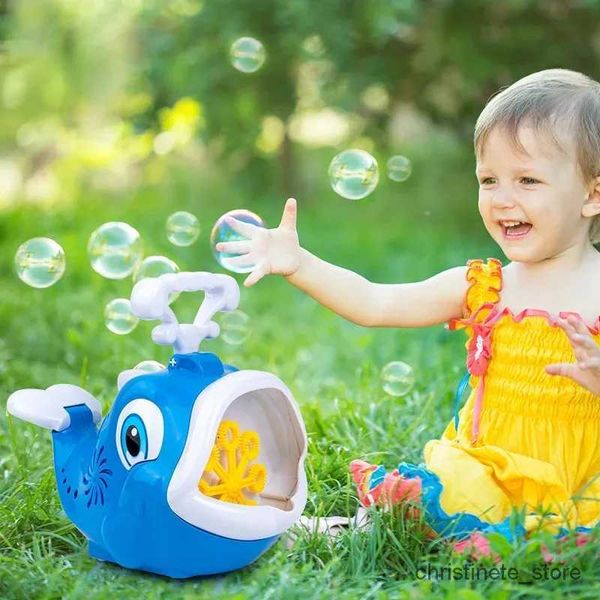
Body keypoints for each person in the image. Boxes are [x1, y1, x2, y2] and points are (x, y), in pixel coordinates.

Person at [216, 69, 600, 542]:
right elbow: (376, 303)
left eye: (527, 179)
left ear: (593, 193)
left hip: (582, 480)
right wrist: (299, 263)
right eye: (489, 179)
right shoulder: (483, 287)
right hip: (488, 472)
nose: (502, 198)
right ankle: (346, 530)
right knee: (438, 498)